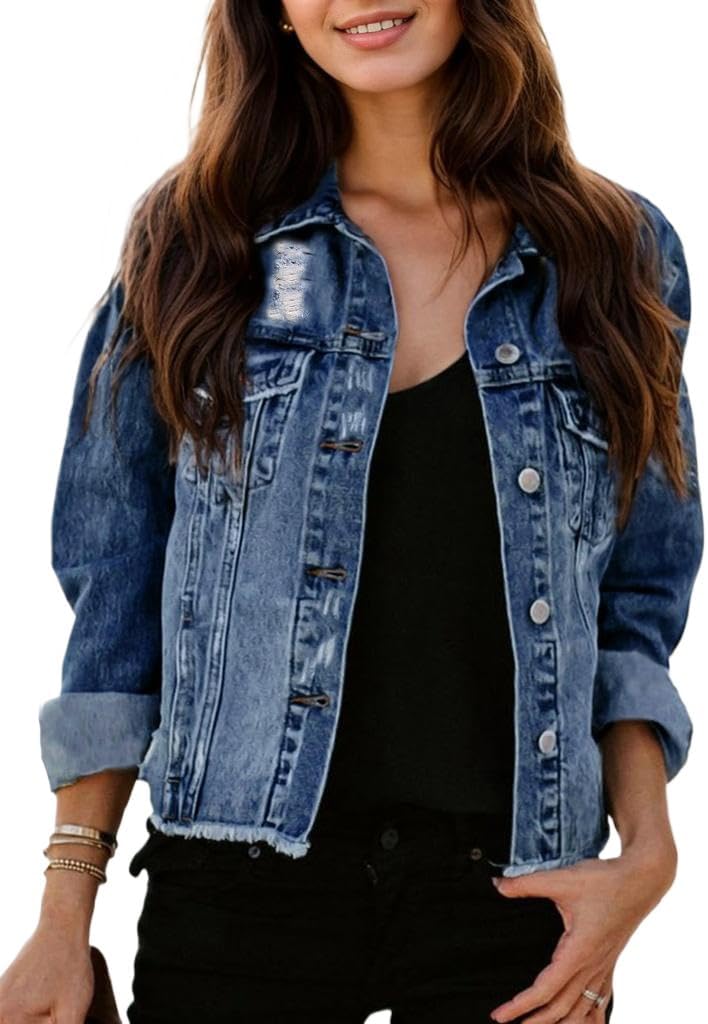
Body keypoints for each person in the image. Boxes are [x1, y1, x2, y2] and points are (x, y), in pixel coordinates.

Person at [0, 2, 702, 1022]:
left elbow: (636, 603)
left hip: (517, 895)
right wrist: (64, 916)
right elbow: (117, 604)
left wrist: (648, 858)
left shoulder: (613, 250)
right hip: (238, 887)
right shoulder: (197, 242)